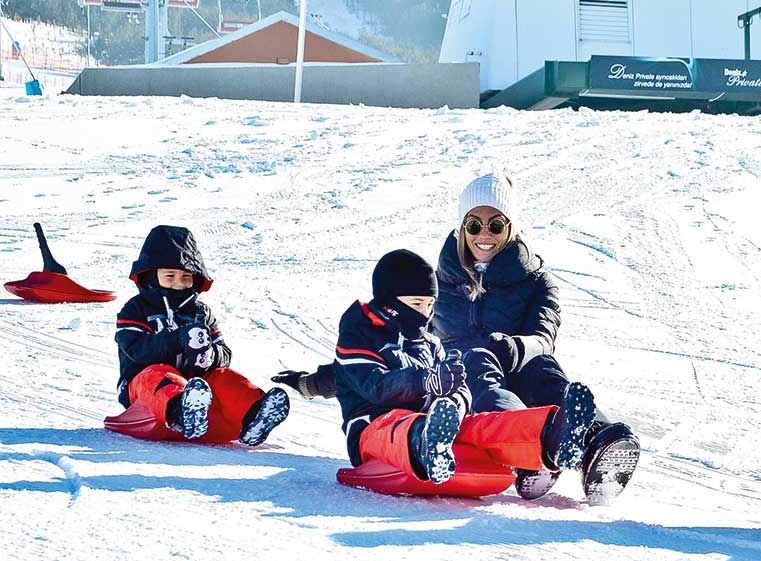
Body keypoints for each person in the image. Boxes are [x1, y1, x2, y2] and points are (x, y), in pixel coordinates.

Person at [288, 249, 596, 488]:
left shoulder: (431, 344)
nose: (425, 313)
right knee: (396, 424)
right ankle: (427, 443)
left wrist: (453, 401)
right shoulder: (358, 336)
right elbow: (376, 387)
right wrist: (427, 381)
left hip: (437, 423)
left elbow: (457, 387)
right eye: (417, 303)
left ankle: (553, 436)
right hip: (374, 431)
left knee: (479, 425)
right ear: (389, 300)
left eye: (430, 305)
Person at [433, 171, 640, 504]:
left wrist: (516, 348)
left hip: (516, 369)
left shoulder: (537, 282)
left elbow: (544, 337)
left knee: (542, 367)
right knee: (476, 360)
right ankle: (533, 443)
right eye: (474, 225)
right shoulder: (436, 283)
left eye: (496, 225)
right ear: (462, 229)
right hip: (461, 389)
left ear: (511, 227)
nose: (484, 234)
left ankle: (596, 443)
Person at [115, 225, 289, 445]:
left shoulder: (200, 313)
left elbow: (224, 352)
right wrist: (177, 339)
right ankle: (182, 411)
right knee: (158, 373)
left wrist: (209, 355)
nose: (179, 283)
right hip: (142, 389)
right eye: (170, 276)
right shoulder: (136, 309)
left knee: (225, 376)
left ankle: (255, 415)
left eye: (186, 277)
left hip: (197, 388)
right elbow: (135, 350)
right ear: (152, 275)